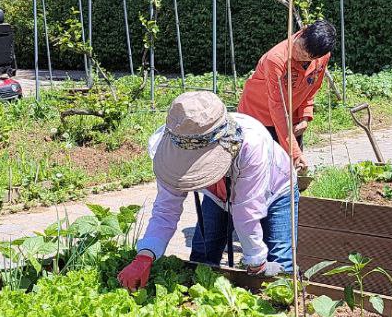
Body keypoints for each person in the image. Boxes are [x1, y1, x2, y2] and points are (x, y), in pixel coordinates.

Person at [117, 91, 296, 292]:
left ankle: (282, 313)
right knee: (203, 254)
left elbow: (247, 211)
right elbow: (165, 210)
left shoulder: (251, 145)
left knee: (279, 261)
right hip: (217, 195)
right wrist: (145, 256)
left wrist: (256, 260)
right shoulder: (177, 139)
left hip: (276, 189)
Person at [236, 18, 335, 173]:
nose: (300, 55)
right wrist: (294, 152)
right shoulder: (276, 59)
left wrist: (304, 116)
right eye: (301, 48)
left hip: (290, 115)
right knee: (265, 171)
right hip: (259, 116)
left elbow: (312, 86)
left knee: (292, 171)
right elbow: (277, 106)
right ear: (303, 31)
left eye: (308, 57)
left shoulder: (322, 56)